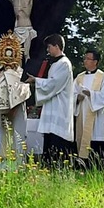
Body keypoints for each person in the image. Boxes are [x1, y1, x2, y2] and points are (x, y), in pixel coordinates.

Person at [26, 33, 74, 165]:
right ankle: (48, 165)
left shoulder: (64, 64)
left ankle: (57, 166)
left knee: (57, 140)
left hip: (60, 108)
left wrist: (36, 80)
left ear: (57, 46)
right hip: (53, 106)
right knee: (49, 138)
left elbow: (54, 84)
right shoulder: (55, 64)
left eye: (49, 47)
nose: (48, 50)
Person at [0, 32, 31, 169]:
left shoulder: (21, 73)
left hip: (17, 111)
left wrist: (15, 99)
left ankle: (16, 166)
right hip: (0, 112)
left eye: (12, 53)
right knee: (0, 135)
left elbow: (25, 88)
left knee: (17, 135)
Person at [73, 48, 104, 163]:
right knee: (82, 138)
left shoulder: (102, 77)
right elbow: (71, 94)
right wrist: (77, 98)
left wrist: (91, 94)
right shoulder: (79, 77)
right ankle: (82, 164)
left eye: (88, 59)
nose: (85, 61)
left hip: (97, 117)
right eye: (84, 58)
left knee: (96, 140)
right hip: (82, 114)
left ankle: (97, 165)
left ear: (95, 62)